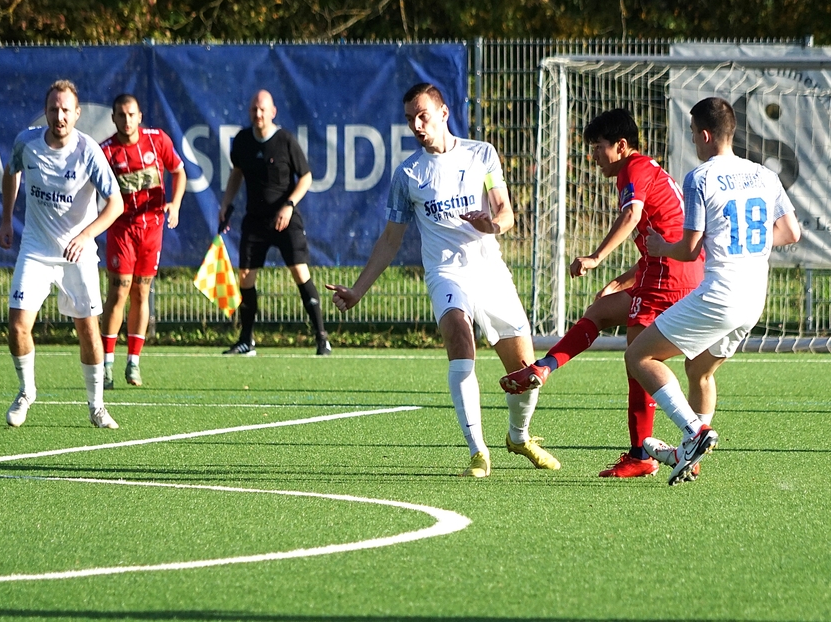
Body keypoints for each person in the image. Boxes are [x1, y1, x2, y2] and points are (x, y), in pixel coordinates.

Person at [327, 82, 560, 477]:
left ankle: (518, 437)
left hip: (490, 271)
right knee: (459, 335)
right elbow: (390, 239)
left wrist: (493, 225)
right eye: (409, 119)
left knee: (525, 371)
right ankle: (478, 451)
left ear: (443, 113)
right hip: (446, 273)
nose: (416, 126)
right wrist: (358, 290)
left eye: (423, 116)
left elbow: (505, 211)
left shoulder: (481, 154)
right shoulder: (408, 174)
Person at [500, 108, 704, 478]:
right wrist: (623, 281)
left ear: (621, 146)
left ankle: (654, 450)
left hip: (667, 279)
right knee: (602, 312)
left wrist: (596, 257)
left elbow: (631, 216)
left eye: (598, 147)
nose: (593, 155)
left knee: (639, 362)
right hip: (674, 273)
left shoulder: (633, 169)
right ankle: (545, 366)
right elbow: (662, 241)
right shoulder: (650, 170)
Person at [624, 96, 801, 485]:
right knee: (699, 370)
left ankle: (695, 432)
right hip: (753, 299)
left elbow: (689, 249)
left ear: (705, 135)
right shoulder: (764, 174)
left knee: (639, 356)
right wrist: (747, 244)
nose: (693, 141)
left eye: (692, 134)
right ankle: (691, 457)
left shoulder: (700, 177)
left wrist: (660, 247)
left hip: (720, 294)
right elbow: (791, 232)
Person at [0, 79, 124, 429]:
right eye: (53, 109)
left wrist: (86, 235)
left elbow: (116, 204)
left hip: (77, 255)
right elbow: (11, 172)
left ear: (77, 113)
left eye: (66, 109)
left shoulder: (88, 151)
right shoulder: (27, 143)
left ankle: (97, 406)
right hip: (36, 250)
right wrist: (6, 219)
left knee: (88, 331)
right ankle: (26, 392)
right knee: (18, 327)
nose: (59, 116)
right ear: (46, 111)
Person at [218, 89, 330, 356]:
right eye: (254, 109)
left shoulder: (285, 140)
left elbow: (306, 177)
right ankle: (246, 341)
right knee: (245, 277)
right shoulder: (243, 140)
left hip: (285, 220)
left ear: (273, 112)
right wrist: (226, 204)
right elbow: (237, 172)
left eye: (262, 109)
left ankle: (321, 338)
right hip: (254, 220)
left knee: (300, 272)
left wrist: (289, 206)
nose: (258, 114)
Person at [99, 94, 186, 388]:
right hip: (122, 229)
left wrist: (175, 204)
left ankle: (133, 362)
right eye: (121, 115)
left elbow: (179, 171)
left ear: (140, 116)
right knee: (119, 292)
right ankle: (106, 364)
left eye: (131, 114)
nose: (127, 120)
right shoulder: (106, 151)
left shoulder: (157, 140)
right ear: (113, 118)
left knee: (142, 292)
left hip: (152, 230)